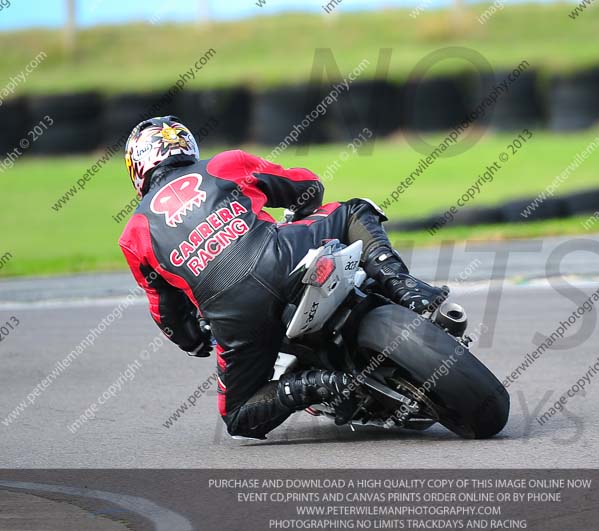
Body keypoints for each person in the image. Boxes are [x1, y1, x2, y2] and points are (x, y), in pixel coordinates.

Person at [119, 116, 448, 439]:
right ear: (186, 145)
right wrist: (301, 210)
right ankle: (403, 287)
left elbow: (167, 314)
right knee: (352, 210)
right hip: (282, 256)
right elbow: (307, 186)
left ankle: (314, 385)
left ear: (137, 168)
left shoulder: (133, 234)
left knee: (238, 416)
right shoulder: (225, 163)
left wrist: (196, 341)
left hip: (233, 314)